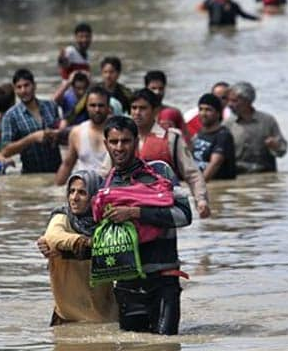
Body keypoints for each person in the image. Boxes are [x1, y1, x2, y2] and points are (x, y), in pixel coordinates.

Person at [101, 115, 192, 335]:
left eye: (126, 141)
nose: (120, 147)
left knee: (165, 345)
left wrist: (135, 212)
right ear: (106, 144)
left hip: (164, 280)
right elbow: (88, 226)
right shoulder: (105, 184)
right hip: (126, 285)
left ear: (136, 142)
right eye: (114, 142)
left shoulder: (161, 173)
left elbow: (184, 215)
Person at [104, 88, 210, 218]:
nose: (137, 113)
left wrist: (201, 200)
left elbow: (192, 174)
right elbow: (105, 174)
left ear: (155, 111)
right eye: (134, 108)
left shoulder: (171, 138)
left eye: (143, 108)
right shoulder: (120, 141)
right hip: (127, 209)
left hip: (163, 209)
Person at [43, 170, 118, 325]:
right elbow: (53, 236)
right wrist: (85, 243)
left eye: (82, 193)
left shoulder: (108, 222)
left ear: (95, 197)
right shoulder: (63, 217)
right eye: (71, 191)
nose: (74, 198)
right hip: (67, 317)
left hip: (105, 314)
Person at [0, 69, 62, 174]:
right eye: (19, 87)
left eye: (26, 85)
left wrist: (57, 135)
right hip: (31, 173)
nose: (23, 90)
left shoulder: (51, 106)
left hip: (57, 171)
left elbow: (61, 133)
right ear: (15, 90)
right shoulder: (11, 116)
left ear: (34, 86)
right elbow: (5, 151)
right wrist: (31, 138)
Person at [224, 81, 288, 173]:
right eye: (228, 100)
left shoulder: (267, 121)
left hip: (265, 176)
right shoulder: (227, 124)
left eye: (234, 101)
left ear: (247, 101)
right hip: (238, 177)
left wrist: (275, 145)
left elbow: (282, 150)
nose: (229, 104)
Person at [55, 86, 111, 185]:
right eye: (92, 105)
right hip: (83, 190)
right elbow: (67, 165)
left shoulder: (117, 133)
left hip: (108, 190)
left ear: (108, 107)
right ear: (86, 107)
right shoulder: (77, 132)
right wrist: (54, 192)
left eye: (101, 105)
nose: (97, 110)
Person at [191, 94, 236, 180]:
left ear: (218, 113)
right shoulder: (199, 134)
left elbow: (214, 164)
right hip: (199, 182)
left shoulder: (223, 135)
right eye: (201, 109)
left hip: (216, 185)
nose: (203, 113)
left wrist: (198, 187)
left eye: (208, 110)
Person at [144, 70, 190, 141]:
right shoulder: (138, 113)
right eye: (153, 88)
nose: (157, 92)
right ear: (146, 88)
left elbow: (186, 140)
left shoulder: (174, 113)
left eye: (161, 88)